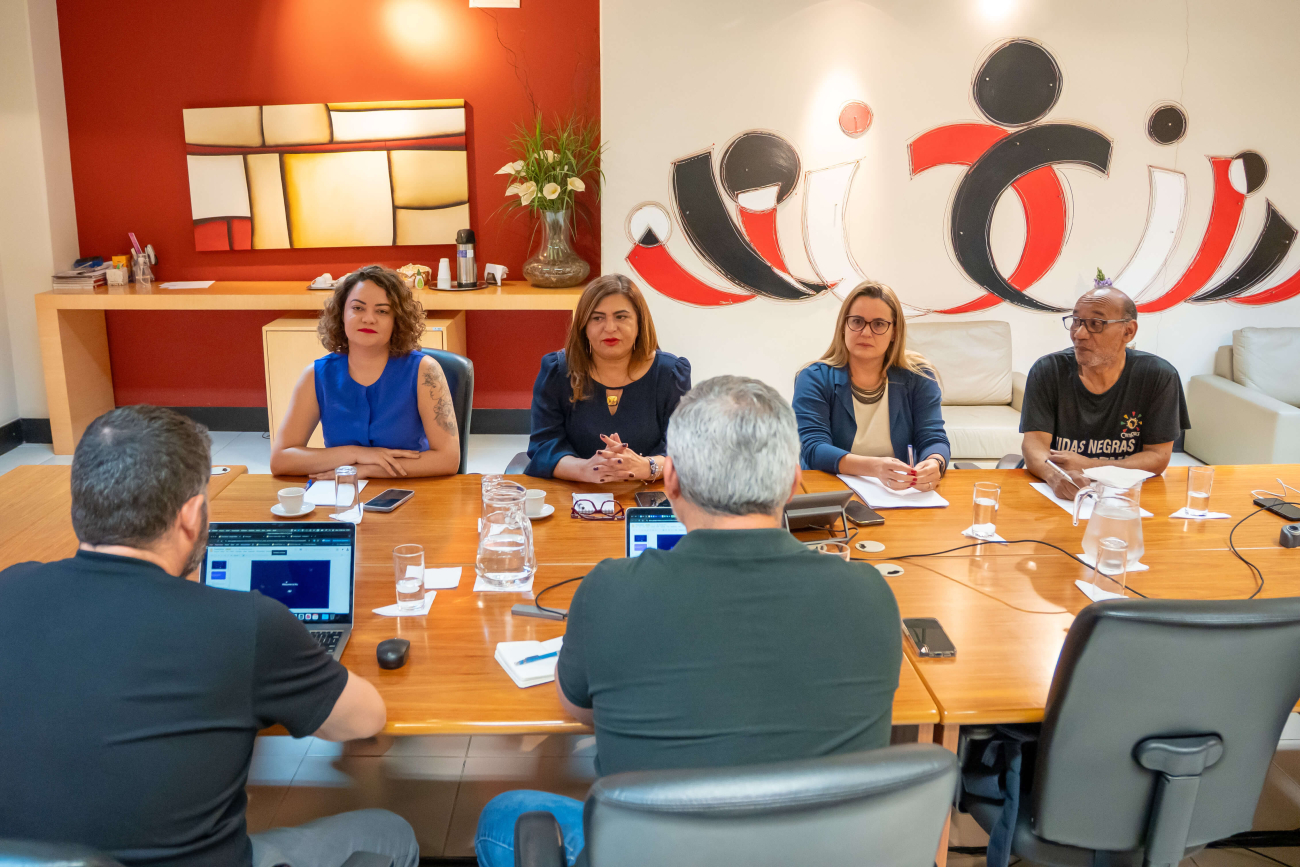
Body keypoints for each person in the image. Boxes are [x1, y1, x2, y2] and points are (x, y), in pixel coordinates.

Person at [476, 377, 903, 867]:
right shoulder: (870, 595)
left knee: (506, 815)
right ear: (793, 481)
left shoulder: (608, 592)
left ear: (670, 479)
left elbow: (579, 709)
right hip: (816, 852)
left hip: (653, 852)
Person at [0, 406, 419, 867]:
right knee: (389, 832)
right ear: (193, 514)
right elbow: (362, 722)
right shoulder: (245, 622)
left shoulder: (9, 588)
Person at [270, 265, 460, 479]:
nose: (369, 319)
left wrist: (367, 469)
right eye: (358, 308)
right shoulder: (317, 375)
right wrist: (357, 454)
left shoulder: (425, 371)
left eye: (382, 311)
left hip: (412, 489)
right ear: (342, 313)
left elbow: (448, 459)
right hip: (342, 496)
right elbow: (281, 459)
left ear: (396, 320)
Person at [1021, 277, 1190, 499]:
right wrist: (1055, 477)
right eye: (1076, 321)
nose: (1079, 334)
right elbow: (1034, 446)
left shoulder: (1158, 376)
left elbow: (1158, 457)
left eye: (1095, 324)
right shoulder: (1048, 370)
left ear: (1128, 331)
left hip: (1126, 495)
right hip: (1056, 490)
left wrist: (1090, 466)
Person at [524, 274, 691, 482]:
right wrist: (584, 469)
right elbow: (543, 447)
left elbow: (685, 453)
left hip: (648, 493)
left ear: (640, 322)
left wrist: (646, 467)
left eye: (621, 317)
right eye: (597, 318)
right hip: (573, 492)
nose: (610, 328)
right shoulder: (557, 371)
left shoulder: (670, 374)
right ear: (584, 326)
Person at [793, 280, 950, 492]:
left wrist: (935, 462)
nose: (866, 333)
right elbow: (813, 448)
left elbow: (933, 437)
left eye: (878, 324)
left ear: (894, 332)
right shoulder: (813, 378)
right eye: (857, 321)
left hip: (898, 492)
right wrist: (875, 467)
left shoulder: (919, 377)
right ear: (843, 326)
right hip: (831, 491)